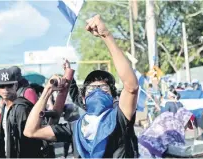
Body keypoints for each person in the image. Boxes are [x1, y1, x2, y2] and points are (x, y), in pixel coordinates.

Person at [24, 14, 139, 158]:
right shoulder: (75, 128)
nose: (97, 91)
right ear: (83, 99)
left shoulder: (119, 119)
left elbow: (131, 86)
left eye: (104, 89)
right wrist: (47, 90)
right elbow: (31, 131)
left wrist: (106, 36)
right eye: (91, 89)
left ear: (114, 97)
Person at [0, 68, 42, 158]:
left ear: (15, 86)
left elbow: (29, 141)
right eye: (2, 86)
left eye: (9, 85)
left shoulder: (21, 107)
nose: (6, 89)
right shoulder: (5, 107)